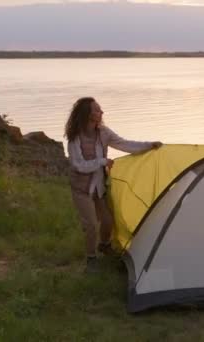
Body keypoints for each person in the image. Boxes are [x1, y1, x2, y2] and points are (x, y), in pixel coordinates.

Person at [65, 97, 162, 273]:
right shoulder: (75, 138)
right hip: (82, 189)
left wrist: (149, 145)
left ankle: (104, 246)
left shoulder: (103, 132)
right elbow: (78, 165)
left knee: (108, 221)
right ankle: (91, 258)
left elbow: (124, 144)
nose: (101, 113)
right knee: (91, 225)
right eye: (97, 110)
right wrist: (102, 161)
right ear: (87, 114)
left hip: (99, 186)